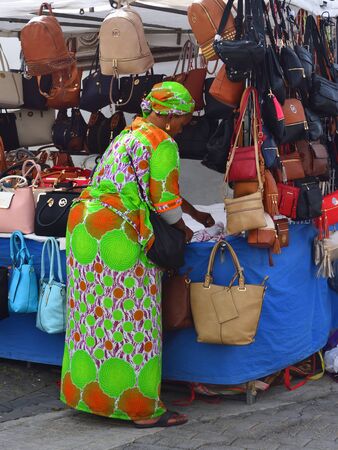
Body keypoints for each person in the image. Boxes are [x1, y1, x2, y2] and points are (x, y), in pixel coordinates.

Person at [60, 81, 215, 428]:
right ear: (172, 116)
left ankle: (86, 395)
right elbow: (165, 205)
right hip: (120, 234)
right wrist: (183, 227)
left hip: (85, 225)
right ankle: (140, 409)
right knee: (133, 319)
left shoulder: (128, 135)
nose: (186, 125)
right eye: (186, 119)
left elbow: (141, 185)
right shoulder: (162, 141)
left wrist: (190, 212)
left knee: (93, 318)